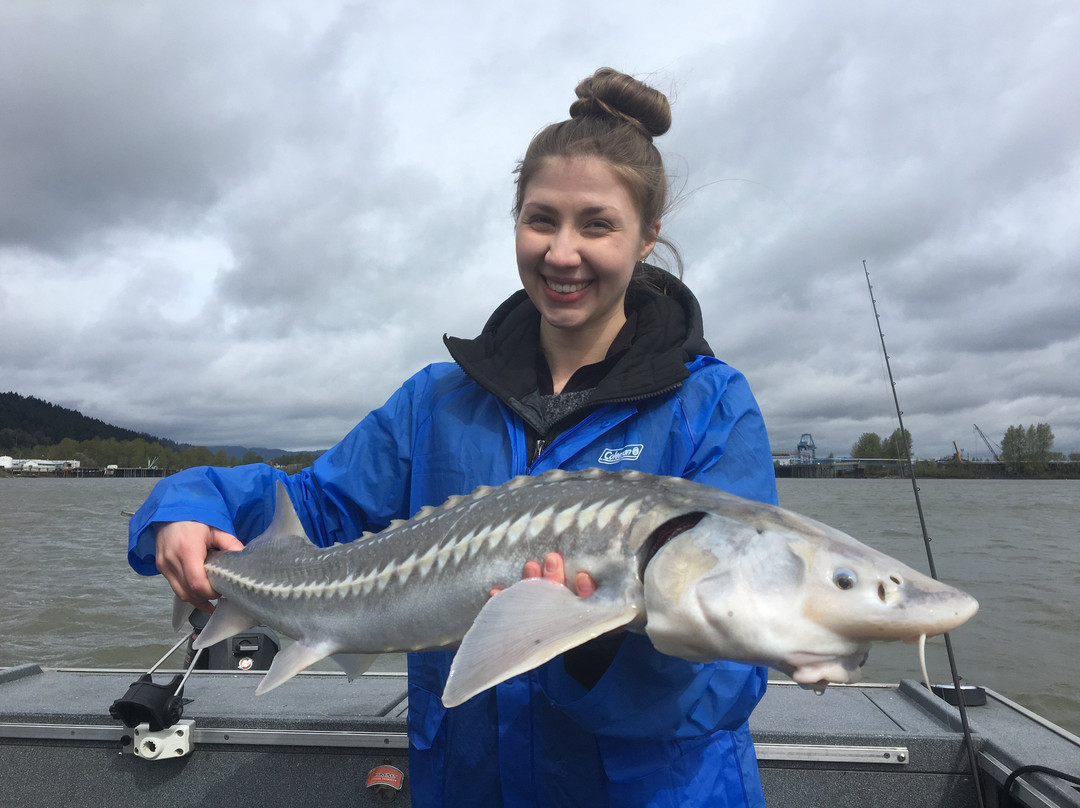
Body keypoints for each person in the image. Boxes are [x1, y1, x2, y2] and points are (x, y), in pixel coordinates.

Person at [128, 67, 777, 807]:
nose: (562, 253)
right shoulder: (437, 401)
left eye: (596, 224)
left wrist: (593, 644)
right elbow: (310, 506)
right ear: (515, 223)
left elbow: (731, 680)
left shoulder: (708, 405)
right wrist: (187, 503)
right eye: (541, 220)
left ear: (646, 239)